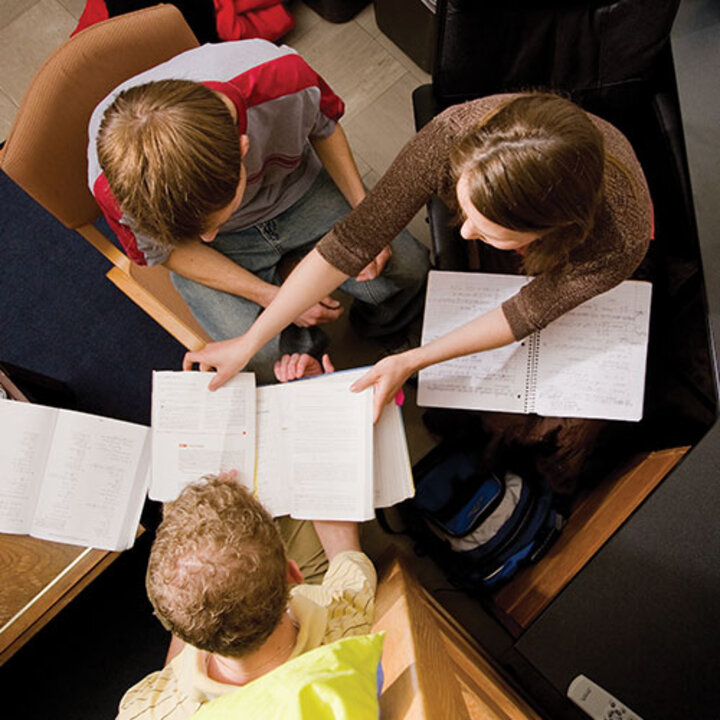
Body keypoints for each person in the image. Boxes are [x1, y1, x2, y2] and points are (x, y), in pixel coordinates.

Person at [184, 92, 652, 416]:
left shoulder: (620, 242)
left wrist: (415, 359)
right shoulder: (453, 134)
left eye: (489, 231)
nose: (465, 232)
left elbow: (527, 311)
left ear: (549, 231)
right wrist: (249, 342)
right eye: (465, 212)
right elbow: (353, 240)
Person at [88, 39, 429, 382]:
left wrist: (367, 218)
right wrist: (278, 299)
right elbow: (173, 252)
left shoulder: (282, 79)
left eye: (213, 220)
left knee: (410, 268)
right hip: (216, 255)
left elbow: (325, 129)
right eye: (197, 229)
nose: (208, 236)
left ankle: (382, 328)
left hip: (297, 192)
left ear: (242, 150)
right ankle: (303, 363)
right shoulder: (117, 182)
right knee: (261, 359)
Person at [115, 473, 376, 720]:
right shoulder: (347, 620)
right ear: (293, 573)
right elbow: (350, 563)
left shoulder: (144, 710)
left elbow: (171, 679)